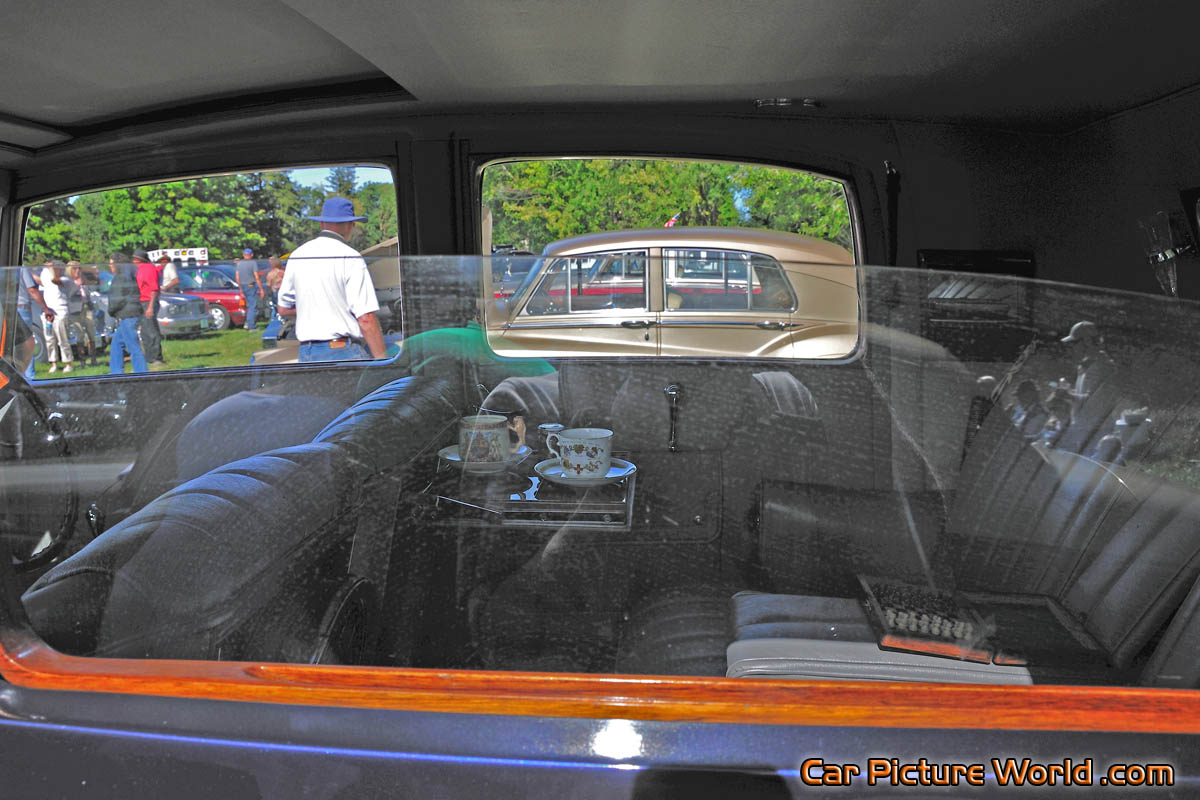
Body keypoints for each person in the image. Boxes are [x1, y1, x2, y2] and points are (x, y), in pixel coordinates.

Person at [276, 197, 386, 362]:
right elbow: (366, 318)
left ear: (322, 224)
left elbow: (283, 309)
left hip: (307, 353)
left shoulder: (297, 255)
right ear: (351, 225)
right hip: (343, 352)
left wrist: (318, 310)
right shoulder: (350, 257)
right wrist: (383, 360)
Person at [106, 261, 148, 374]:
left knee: (133, 346)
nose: (110, 266)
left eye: (111, 263)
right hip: (132, 314)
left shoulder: (119, 279)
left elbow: (116, 299)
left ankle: (142, 373)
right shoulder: (129, 277)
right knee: (116, 344)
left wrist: (111, 311)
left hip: (127, 315)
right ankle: (115, 372)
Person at [14, 265, 52, 380]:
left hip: (6, 310)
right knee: (27, 344)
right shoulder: (21, 268)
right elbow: (32, 289)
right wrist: (45, 309)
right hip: (21, 308)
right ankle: (30, 379)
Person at [39, 261, 74, 374]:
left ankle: (68, 363)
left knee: (63, 339)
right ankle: (53, 363)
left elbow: (55, 280)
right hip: (48, 313)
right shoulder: (46, 275)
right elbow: (37, 280)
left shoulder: (66, 280)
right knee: (49, 339)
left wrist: (51, 268)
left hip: (60, 312)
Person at [132, 250, 164, 365]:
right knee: (145, 331)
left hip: (148, 301)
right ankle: (149, 357)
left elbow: (154, 289)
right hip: (140, 302)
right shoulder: (138, 269)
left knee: (151, 330)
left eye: (135, 259)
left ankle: (157, 357)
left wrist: (150, 306)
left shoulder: (148, 268)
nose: (133, 261)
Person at [66, 262, 100, 367]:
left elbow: (89, 292)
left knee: (91, 333)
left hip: (86, 307)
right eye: (74, 269)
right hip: (75, 310)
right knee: (80, 334)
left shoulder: (83, 280)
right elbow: (69, 295)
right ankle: (82, 361)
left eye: (78, 268)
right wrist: (77, 285)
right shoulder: (68, 282)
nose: (77, 271)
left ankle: (93, 359)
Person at [236, 247, 264, 330]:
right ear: (251, 255)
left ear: (244, 255)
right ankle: (251, 326)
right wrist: (261, 289)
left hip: (243, 285)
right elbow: (256, 277)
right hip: (250, 284)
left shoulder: (239, 263)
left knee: (249, 305)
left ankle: (248, 322)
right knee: (253, 306)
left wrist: (240, 288)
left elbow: (237, 277)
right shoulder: (253, 263)